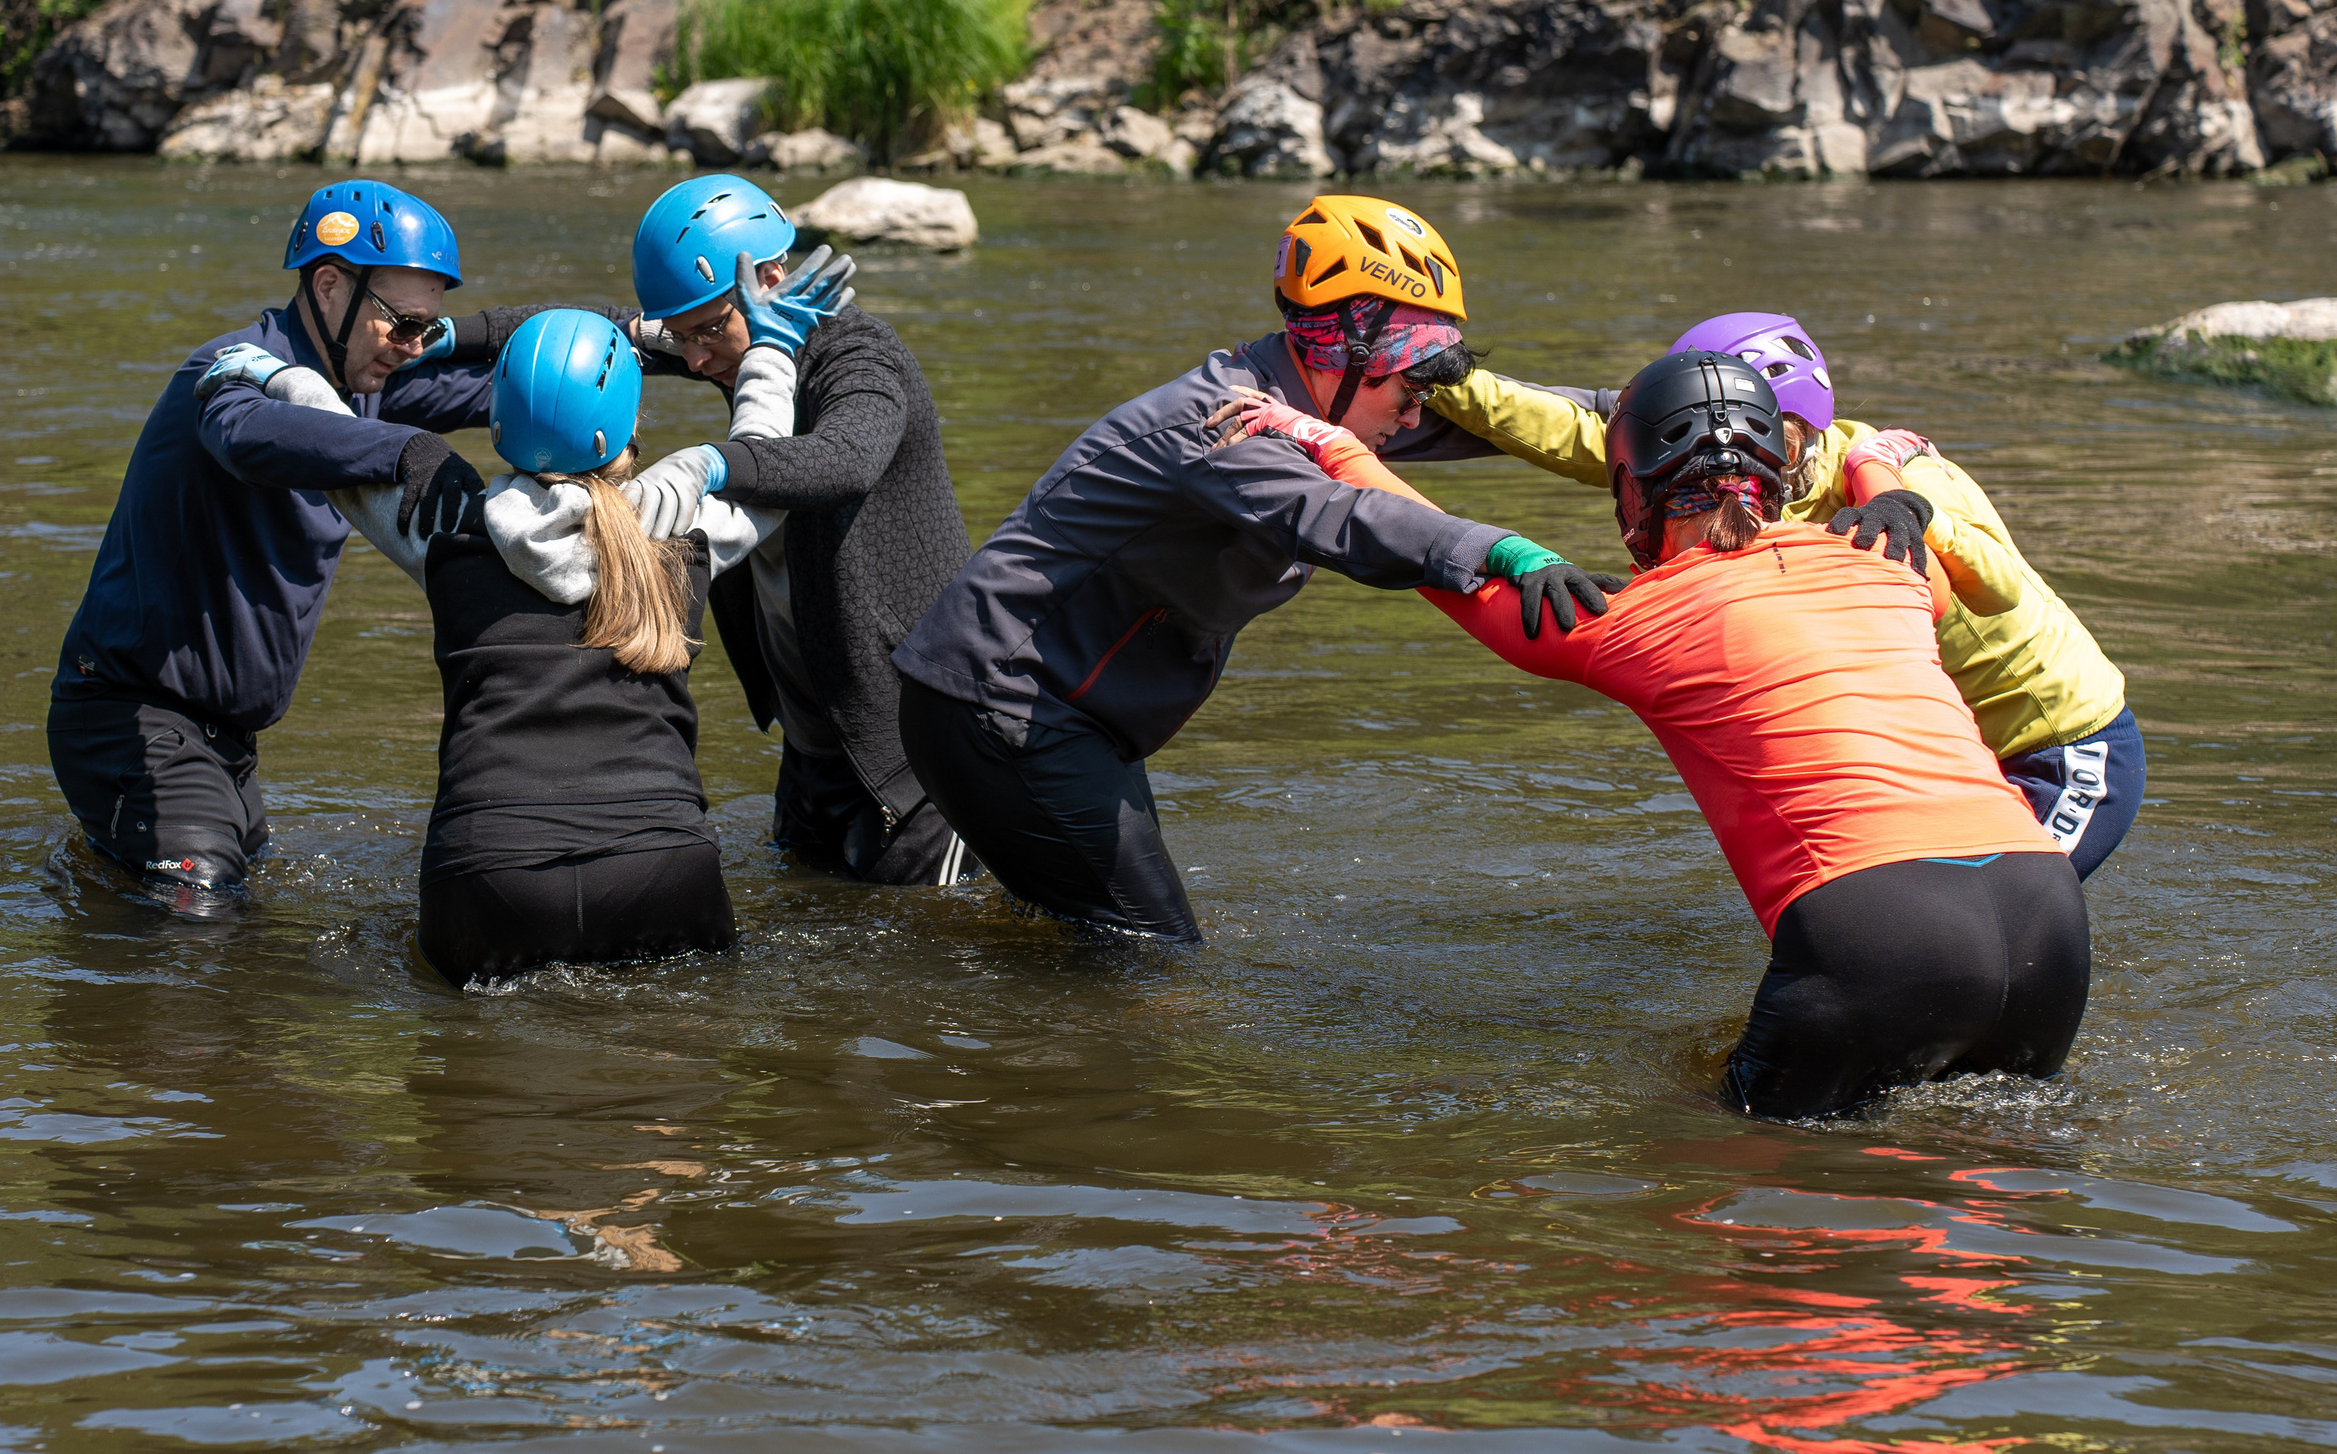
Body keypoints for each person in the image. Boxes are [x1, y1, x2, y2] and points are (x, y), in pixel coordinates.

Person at [1223, 351, 2086, 1120]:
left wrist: (1322, 440)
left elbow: (1430, 550)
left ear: (1634, 492)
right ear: (1782, 471)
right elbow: (1930, 566)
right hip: (2047, 915)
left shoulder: (1633, 625)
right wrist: (1875, 466)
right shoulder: (1889, 562)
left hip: (1877, 930)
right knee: (1996, 1187)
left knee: (1740, 1203)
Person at [890, 195, 1619, 944]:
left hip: (1054, 713)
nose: (1413, 420)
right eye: (1407, 392)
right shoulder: (1226, 423)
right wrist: (1505, 550)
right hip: (1003, 708)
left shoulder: (1322, 404)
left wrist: (1649, 409)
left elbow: (1517, 416)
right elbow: (1340, 518)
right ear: (1344, 352)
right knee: (1153, 960)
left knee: (1090, 941)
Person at [190, 289, 828, 985]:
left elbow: (341, 452)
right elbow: (764, 454)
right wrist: (768, 348)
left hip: (489, 875)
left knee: (477, 1082)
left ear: (497, 419)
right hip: (665, 868)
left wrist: (283, 376)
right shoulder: (682, 527)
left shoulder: (446, 522)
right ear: (621, 426)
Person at [1419, 311, 2141, 880]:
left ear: (1806, 422)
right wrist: (1447, 379)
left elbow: (2005, 587)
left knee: (2005, 920)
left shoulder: (1890, 466)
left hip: (2063, 745)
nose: (1751, 462)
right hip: (1955, 760)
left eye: (1778, 442)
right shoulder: (1744, 476)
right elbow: (1586, 435)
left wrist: (1914, 510)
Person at [47, 180, 533, 921]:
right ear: (330, 285)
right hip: (130, 713)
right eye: (400, 324)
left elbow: (529, 380)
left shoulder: (369, 387)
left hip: (225, 741)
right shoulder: (231, 367)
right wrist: (405, 450)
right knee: (200, 932)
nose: (409, 348)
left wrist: (657, 340)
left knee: (243, 932)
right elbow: (246, 437)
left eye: (423, 330)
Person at [629, 175, 977, 889]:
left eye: (706, 333)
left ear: (770, 280)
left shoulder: (860, 358)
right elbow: (593, 331)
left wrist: (712, 461)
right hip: (816, 748)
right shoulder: (735, 348)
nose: (693, 359)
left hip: (918, 755)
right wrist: (448, 336)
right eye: (680, 337)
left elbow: (844, 462)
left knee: (926, 966)